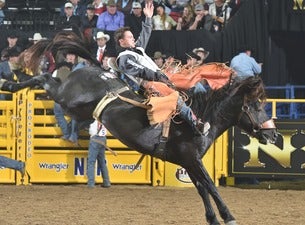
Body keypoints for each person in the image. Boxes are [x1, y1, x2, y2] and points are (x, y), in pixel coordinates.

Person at [114, 1, 210, 136]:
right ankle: (196, 124)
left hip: (161, 76)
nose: (133, 38)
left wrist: (148, 18)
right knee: (176, 98)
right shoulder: (123, 58)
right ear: (122, 41)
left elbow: (145, 34)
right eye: (130, 37)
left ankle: (205, 109)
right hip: (150, 84)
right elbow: (141, 71)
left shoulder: (136, 49)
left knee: (193, 83)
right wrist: (158, 76)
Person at [87, 120, 111, 188]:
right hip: (103, 139)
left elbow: (91, 131)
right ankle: (106, 182)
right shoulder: (103, 119)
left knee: (91, 162)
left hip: (95, 139)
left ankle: (91, 183)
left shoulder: (93, 120)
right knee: (102, 162)